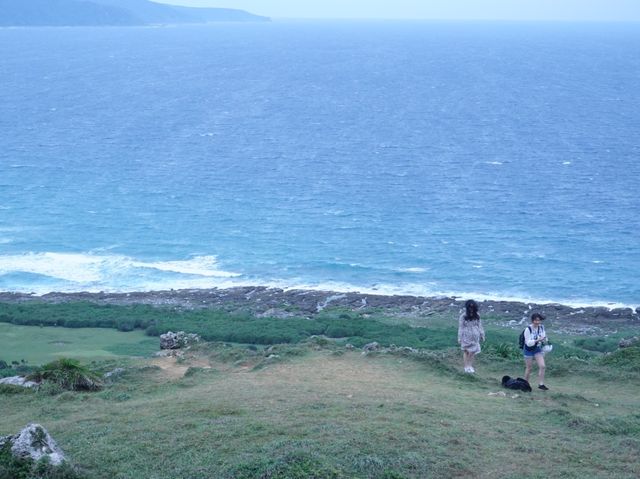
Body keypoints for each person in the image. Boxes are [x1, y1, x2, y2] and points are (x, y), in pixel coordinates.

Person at [457, 299, 485, 373]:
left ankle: (470, 365)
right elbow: (461, 327)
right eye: (469, 307)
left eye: (472, 307)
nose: (471, 309)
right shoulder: (463, 316)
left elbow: (480, 325)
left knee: (473, 351)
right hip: (466, 336)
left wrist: (482, 334)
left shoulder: (477, 315)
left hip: (475, 336)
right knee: (466, 351)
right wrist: (459, 337)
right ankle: (466, 367)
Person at [523, 312, 549, 390]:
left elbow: (544, 337)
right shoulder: (528, 329)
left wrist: (544, 340)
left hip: (537, 349)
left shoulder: (541, 327)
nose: (537, 322)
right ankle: (525, 384)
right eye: (536, 320)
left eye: (539, 320)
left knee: (542, 366)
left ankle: (541, 384)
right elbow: (528, 343)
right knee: (529, 368)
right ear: (532, 320)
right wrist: (537, 340)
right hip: (528, 349)